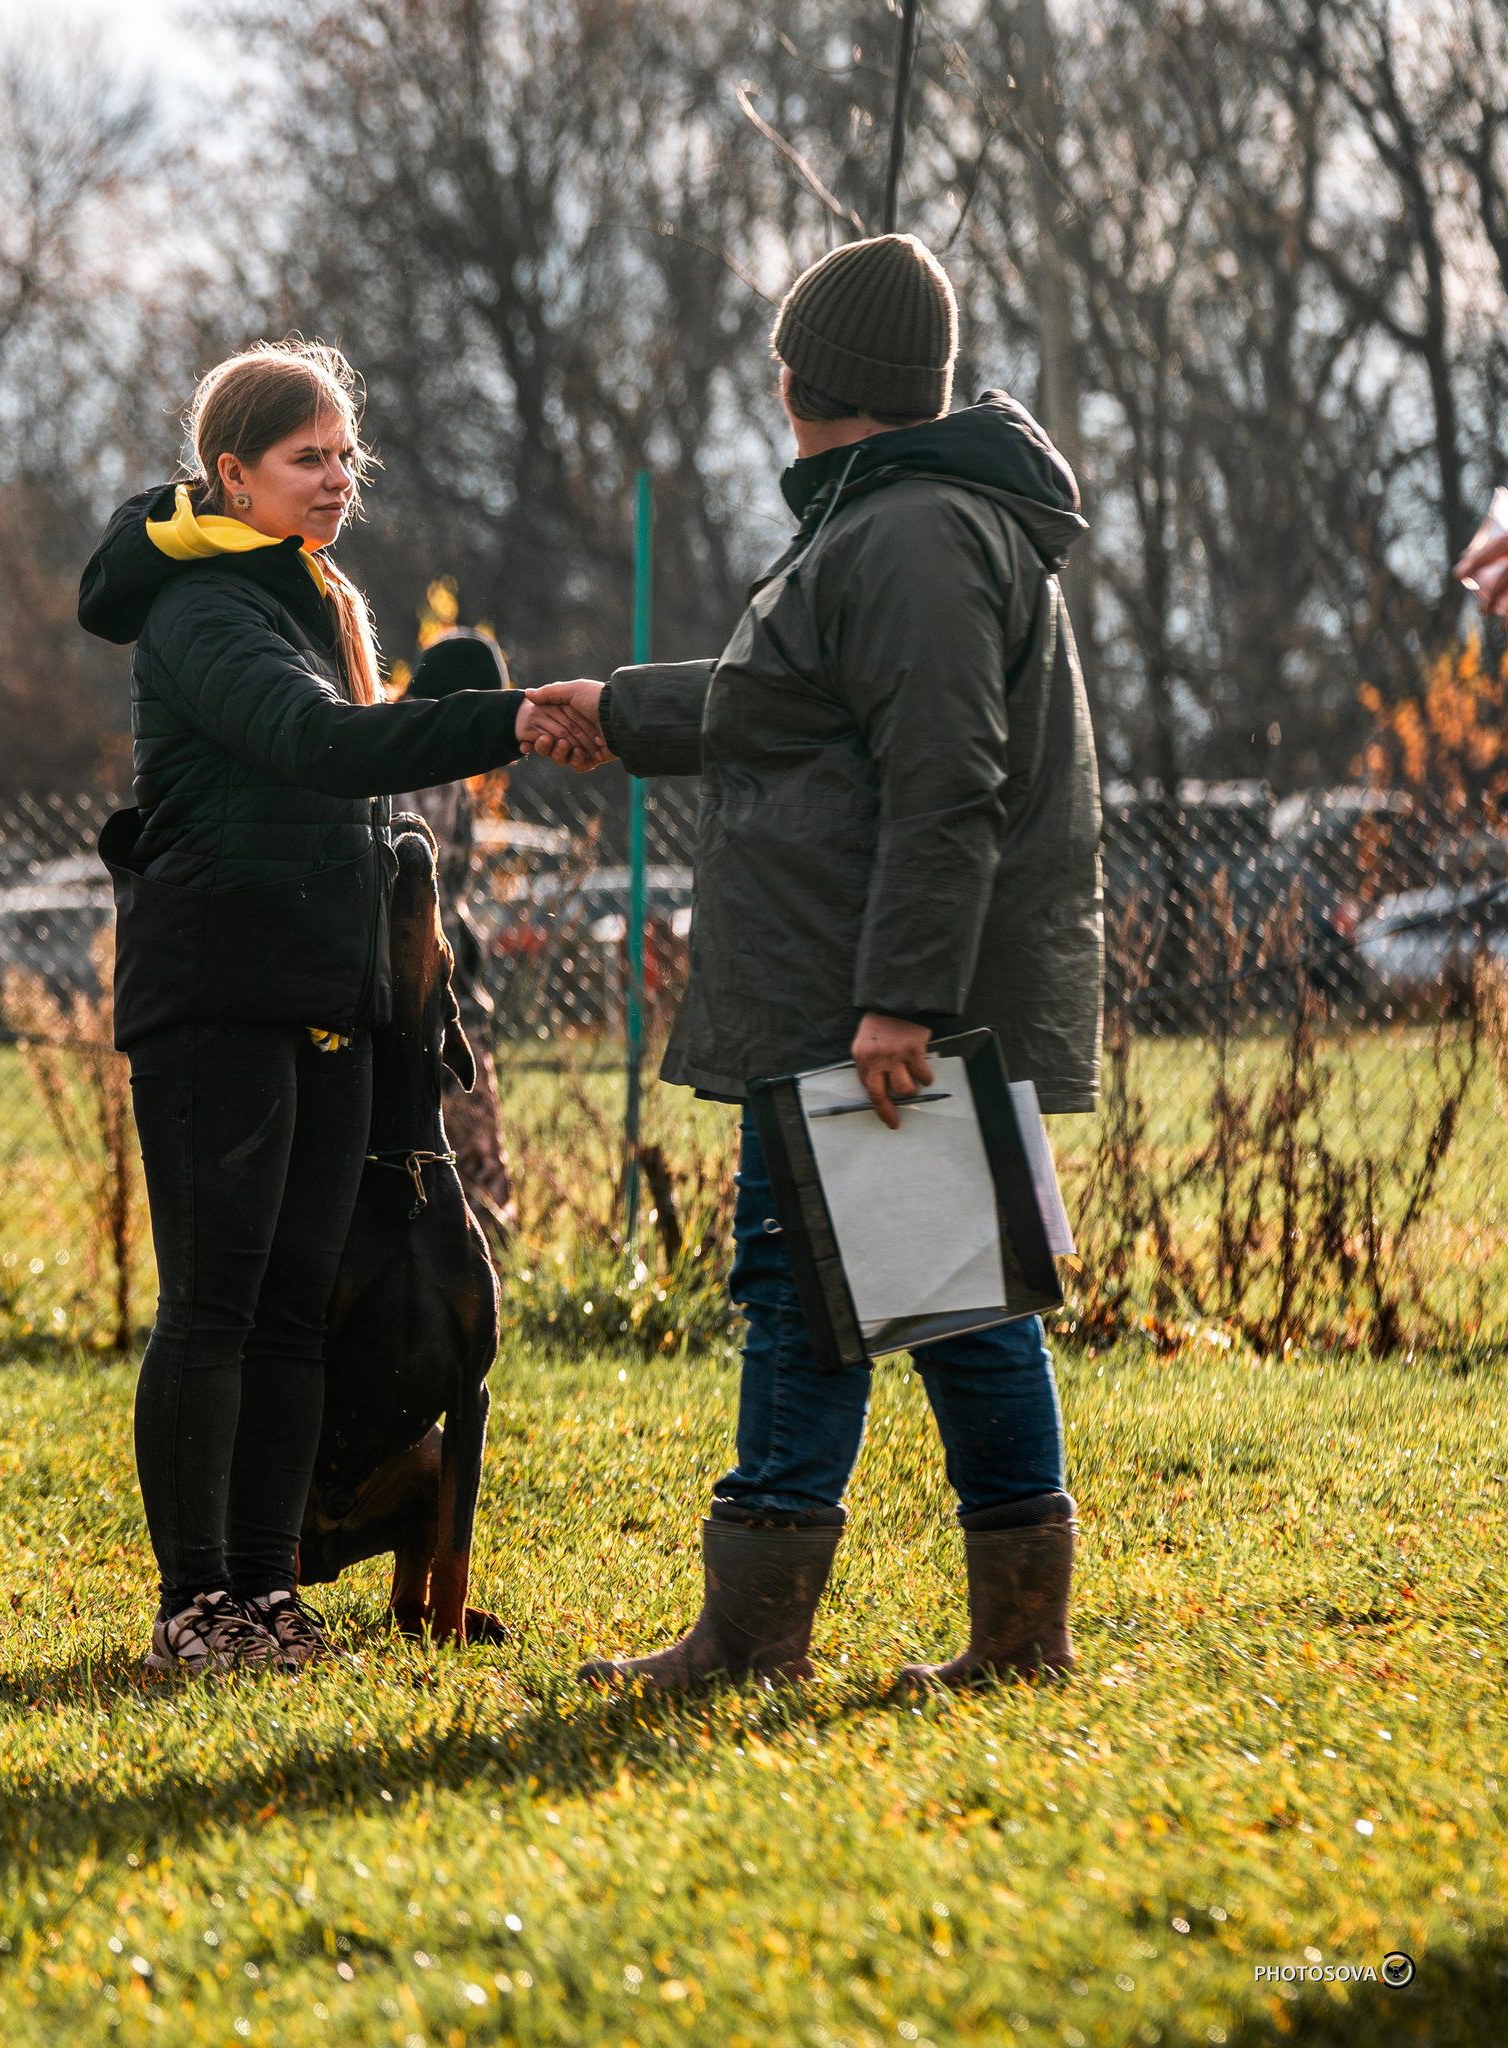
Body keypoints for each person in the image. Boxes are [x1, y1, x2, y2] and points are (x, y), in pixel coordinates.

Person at [526, 234, 1102, 1694]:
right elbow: (792, 706)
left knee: (805, 1289)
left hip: (875, 1004)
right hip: (857, 989)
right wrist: (627, 712)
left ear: (801, 378)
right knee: (961, 1305)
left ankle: (751, 1639)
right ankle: (1017, 1641)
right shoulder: (903, 516)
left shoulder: (911, 532)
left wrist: (901, 1001)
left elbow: (945, 778)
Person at [78, 341, 588, 1675]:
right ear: (230, 471)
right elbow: (316, 746)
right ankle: (202, 1604)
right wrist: (501, 721)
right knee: (216, 1306)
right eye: (307, 458)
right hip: (216, 998)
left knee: (300, 1306)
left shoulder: (311, 597)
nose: (335, 480)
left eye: (344, 456)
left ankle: (270, 1594)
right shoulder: (202, 611)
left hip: (327, 998)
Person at [398, 632, 518, 1236]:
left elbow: (457, 893)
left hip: (450, 1000)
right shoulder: (401, 756)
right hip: (409, 1004)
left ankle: (486, 1270)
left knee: (473, 1157)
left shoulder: (441, 767)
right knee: (454, 1161)